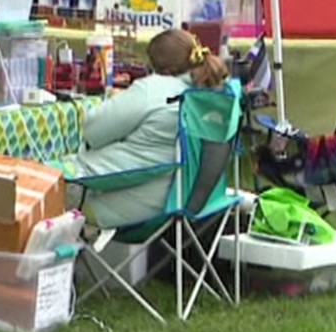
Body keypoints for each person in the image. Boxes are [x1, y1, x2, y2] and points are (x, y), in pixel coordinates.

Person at [67, 28, 230, 229]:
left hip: (116, 203)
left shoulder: (155, 88)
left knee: (37, 187)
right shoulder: (211, 97)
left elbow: (93, 131)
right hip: (180, 202)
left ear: (163, 70)